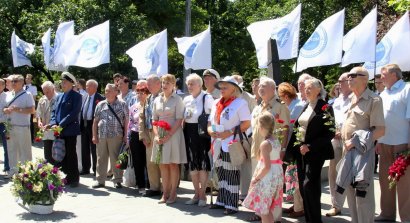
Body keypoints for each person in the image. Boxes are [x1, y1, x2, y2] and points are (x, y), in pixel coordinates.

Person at [339, 67, 385, 223]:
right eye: (348, 76)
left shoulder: (374, 100)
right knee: (350, 193)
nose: (349, 78)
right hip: (347, 151)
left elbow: (379, 130)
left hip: (362, 154)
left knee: (362, 193)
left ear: (365, 78)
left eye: (353, 76)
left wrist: (355, 141)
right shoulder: (351, 98)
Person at [287, 78, 335, 223]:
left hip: (315, 152)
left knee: (310, 185)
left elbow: (330, 132)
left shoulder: (325, 107)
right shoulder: (306, 105)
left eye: (310, 88)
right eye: (305, 88)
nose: (306, 90)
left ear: (318, 90)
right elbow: (298, 128)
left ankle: (314, 220)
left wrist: (310, 146)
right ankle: (309, 218)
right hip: (300, 151)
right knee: (303, 186)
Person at [207, 76, 251, 215]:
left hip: (231, 143)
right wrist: (210, 131)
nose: (222, 89)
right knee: (220, 172)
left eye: (225, 87)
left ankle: (232, 204)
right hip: (217, 142)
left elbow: (246, 123)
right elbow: (210, 122)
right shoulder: (216, 103)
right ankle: (222, 200)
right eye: (221, 87)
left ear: (234, 89)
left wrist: (229, 132)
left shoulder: (240, 103)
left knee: (231, 173)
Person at [375, 64, 410, 222]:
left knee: (404, 184)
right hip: (384, 143)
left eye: (383, 74)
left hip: (403, 143)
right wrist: (378, 140)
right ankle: (387, 214)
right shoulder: (383, 93)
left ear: (394, 75)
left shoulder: (407, 89)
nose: (380, 78)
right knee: (385, 181)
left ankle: (407, 217)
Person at [243, 112, 284, 223]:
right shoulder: (276, 141)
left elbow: (266, 166)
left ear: (261, 127)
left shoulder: (265, 144)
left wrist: (256, 179)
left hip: (267, 178)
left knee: (263, 209)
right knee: (267, 208)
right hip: (276, 176)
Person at [152, 74, 187, 204]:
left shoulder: (177, 99)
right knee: (162, 164)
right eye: (163, 82)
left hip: (173, 135)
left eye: (168, 83)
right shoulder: (157, 100)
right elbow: (154, 119)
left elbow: (179, 119)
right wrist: (156, 135)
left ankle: (173, 193)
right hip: (159, 135)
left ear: (173, 85)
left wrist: (169, 135)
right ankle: (164, 193)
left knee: (172, 164)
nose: (165, 85)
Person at [183, 73, 214, 207]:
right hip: (188, 132)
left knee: (202, 165)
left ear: (200, 85)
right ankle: (196, 193)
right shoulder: (186, 99)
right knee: (192, 164)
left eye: (192, 84)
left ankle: (202, 195)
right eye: (188, 84)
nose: (190, 86)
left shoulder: (207, 97)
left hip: (201, 134)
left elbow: (212, 116)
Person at [48, 72, 82, 187]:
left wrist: (60, 125)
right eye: (62, 82)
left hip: (69, 130)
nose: (62, 84)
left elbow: (73, 113)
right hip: (59, 130)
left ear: (71, 83)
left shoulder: (77, 96)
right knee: (61, 154)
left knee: (71, 154)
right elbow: (53, 111)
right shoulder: (59, 96)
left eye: (65, 82)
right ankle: (67, 175)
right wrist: (53, 123)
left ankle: (74, 178)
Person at [92, 84, 129, 189]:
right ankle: (100, 181)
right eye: (105, 91)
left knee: (116, 159)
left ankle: (117, 180)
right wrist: (94, 135)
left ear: (115, 92)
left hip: (116, 135)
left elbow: (127, 121)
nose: (106, 93)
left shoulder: (123, 104)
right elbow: (95, 121)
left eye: (109, 91)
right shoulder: (100, 104)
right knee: (101, 158)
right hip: (102, 135)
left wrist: (126, 135)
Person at [277, 82, 305, 218]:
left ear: (286, 96)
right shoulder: (290, 106)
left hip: (295, 145)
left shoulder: (298, 106)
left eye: (281, 96)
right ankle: (296, 204)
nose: (281, 100)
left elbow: (293, 125)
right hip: (289, 145)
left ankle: (300, 207)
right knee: (292, 177)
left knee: (295, 177)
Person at [326, 73, 350, 217]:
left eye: (342, 81)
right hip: (335, 139)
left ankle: (354, 204)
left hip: (350, 140)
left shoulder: (356, 98)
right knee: (333, 172)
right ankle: (336, 204)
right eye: (339, 81)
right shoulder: (336, 101)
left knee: (348, 173)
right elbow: (330, 119)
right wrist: (332, 130)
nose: (339, 83)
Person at [3, 74, 35, 179]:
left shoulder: (27, 94)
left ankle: (26, 172)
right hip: (9, 126)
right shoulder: (8, 94)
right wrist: (5, 110)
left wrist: (18, 110)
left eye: (15, 81)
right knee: (11, 149)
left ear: (22, 83)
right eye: (12, 81)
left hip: (22, 126)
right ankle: (13, 171)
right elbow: (4, 108)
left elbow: (32, 110)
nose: (13, 83)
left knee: (24, 150)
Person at [139, 74, 162, 197]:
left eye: (150, 83)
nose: (147, 85)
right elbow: (142, 117)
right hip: (148, 132)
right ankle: (154, 187)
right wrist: (143, 135)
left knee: (163, 161)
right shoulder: (148, 98)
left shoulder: (164, 97)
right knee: (150, 162)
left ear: (158, 84)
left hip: (161, 133)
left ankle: (166, 188)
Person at [128, 80, 149, 194]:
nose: (140, 95)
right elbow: (130, 123)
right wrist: (127, 139)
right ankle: (140, 184)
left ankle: (151, 185)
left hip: (147, 135)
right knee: (137, 160)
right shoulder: (133, 107)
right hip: (135, 135)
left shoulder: (150, 106)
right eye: (138, 93)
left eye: (143, 93)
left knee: (148, 161)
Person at [80, 79, 105, 176]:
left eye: (89, 86)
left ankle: (96, 169)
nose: (86, 88)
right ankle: (85, 168)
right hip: (84, 124)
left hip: (94, 125)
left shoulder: (100, 98)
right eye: (86, 86)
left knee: (95, 148)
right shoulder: (85, 96)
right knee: (84, 148)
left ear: (95, 87)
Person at [36, 81, 58, 165]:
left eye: (47, 92)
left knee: (56, 154)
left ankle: (57, 173)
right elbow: (38, 114)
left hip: (56, 130)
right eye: (44, 92)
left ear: (53, 89)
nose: (46, 94)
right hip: (45, 131)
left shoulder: (59, 98)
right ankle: (50, 172)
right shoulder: (42, 99)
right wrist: (39, 122)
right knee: (47, 155)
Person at [0, 79, 9, 173]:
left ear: (3, 86)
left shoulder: (7, 96)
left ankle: (7, 167)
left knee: (7, 146)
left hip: (4, 124)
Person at [24, 74, 37, 143]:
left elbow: (34, 98)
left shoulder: (33, 88)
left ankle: (31, 138)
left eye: (28, 78)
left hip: (29, 107)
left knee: (30, 122)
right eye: (26, 78)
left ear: (31, 80)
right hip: (22, 107)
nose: (27, 79)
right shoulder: (22, 87)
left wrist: (33, 109)